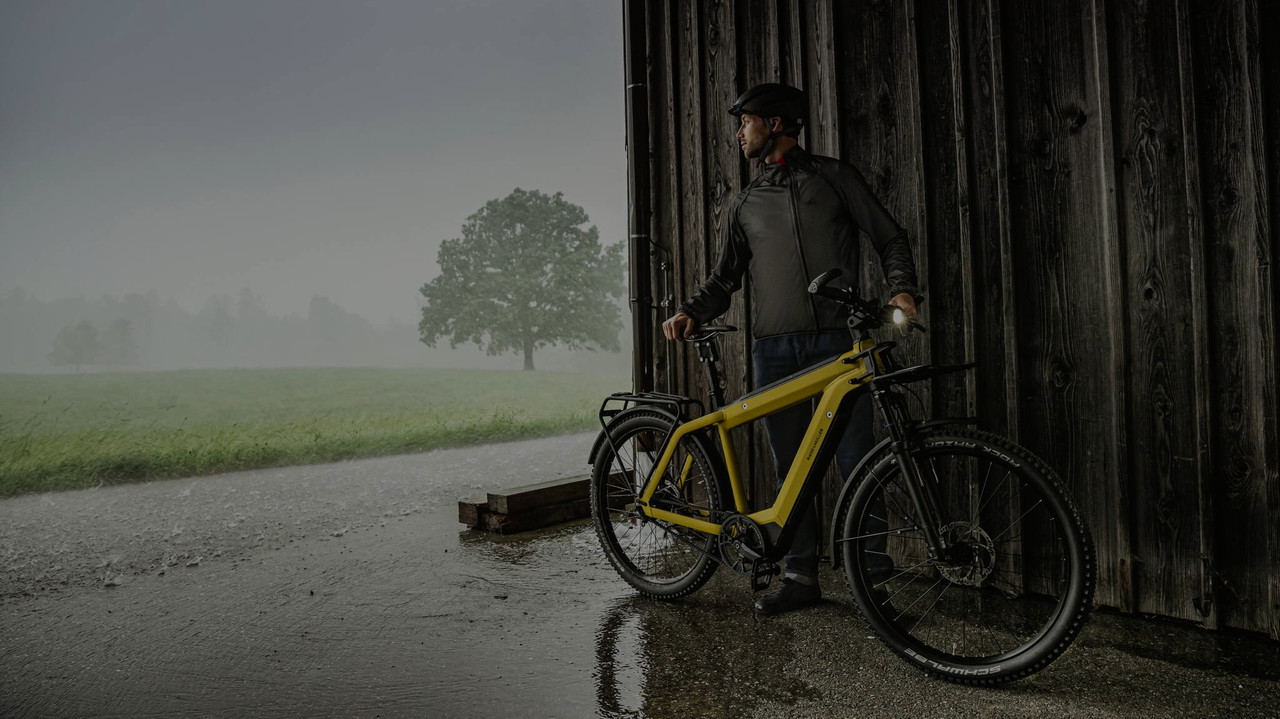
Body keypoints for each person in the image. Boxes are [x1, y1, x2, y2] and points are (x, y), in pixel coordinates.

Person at [662, 83, 921, 615]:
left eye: (746, 121)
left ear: (776, 124)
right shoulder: (745, 203)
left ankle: (873, 584)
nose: (739, 132)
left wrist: (902, 289)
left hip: (837, 344)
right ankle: (800, 576)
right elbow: (724, 278)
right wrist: (692, 310)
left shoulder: (834, 178)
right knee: (793, 470)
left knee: (860, 465)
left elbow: (890, 237)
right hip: (773, 352)